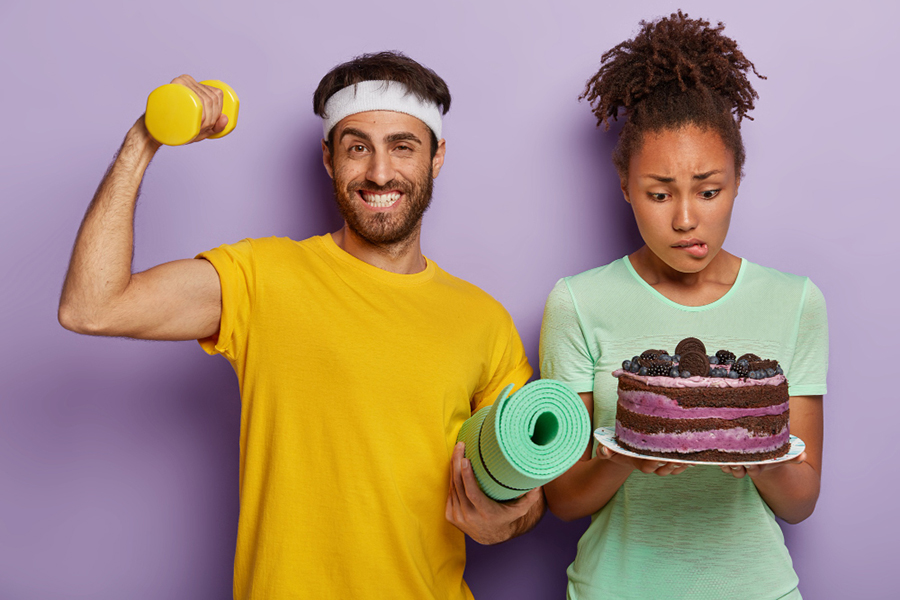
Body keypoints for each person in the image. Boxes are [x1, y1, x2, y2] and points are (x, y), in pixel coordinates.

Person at [58, 51, 544, 600]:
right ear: (328, 159)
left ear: (436, 158)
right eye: (357, 147)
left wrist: (511, 519)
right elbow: (91, 306)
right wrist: (143, 139)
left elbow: (522, 484)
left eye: (402, 147)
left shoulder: (483, 320)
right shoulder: (262, 278)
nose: (379, 172)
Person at [540, 12, 827, 599]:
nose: (685, 219)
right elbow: (565, 500)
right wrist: (629, 454)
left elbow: (802, 501)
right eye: (659, 193)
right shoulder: (577, 302)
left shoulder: (795, 301)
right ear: (626, 188)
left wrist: (758, 453)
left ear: (738, 181)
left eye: (709, 189)